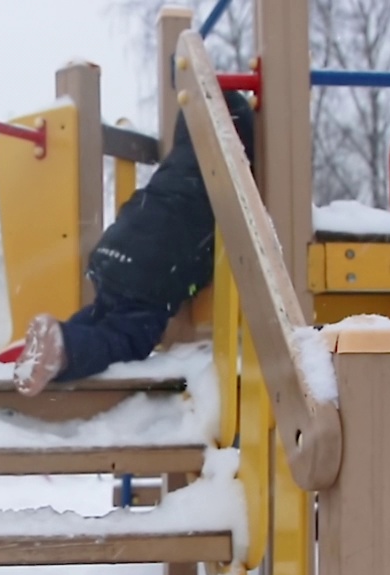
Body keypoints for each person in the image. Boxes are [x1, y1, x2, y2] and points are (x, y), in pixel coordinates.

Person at [13, 90, 256, 396]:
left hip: (117, 245)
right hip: (151, 269)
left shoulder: (176, 168)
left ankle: (60, 335)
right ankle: (64, 350)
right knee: (128, 336)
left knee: (104, 312)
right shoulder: (221, 184)